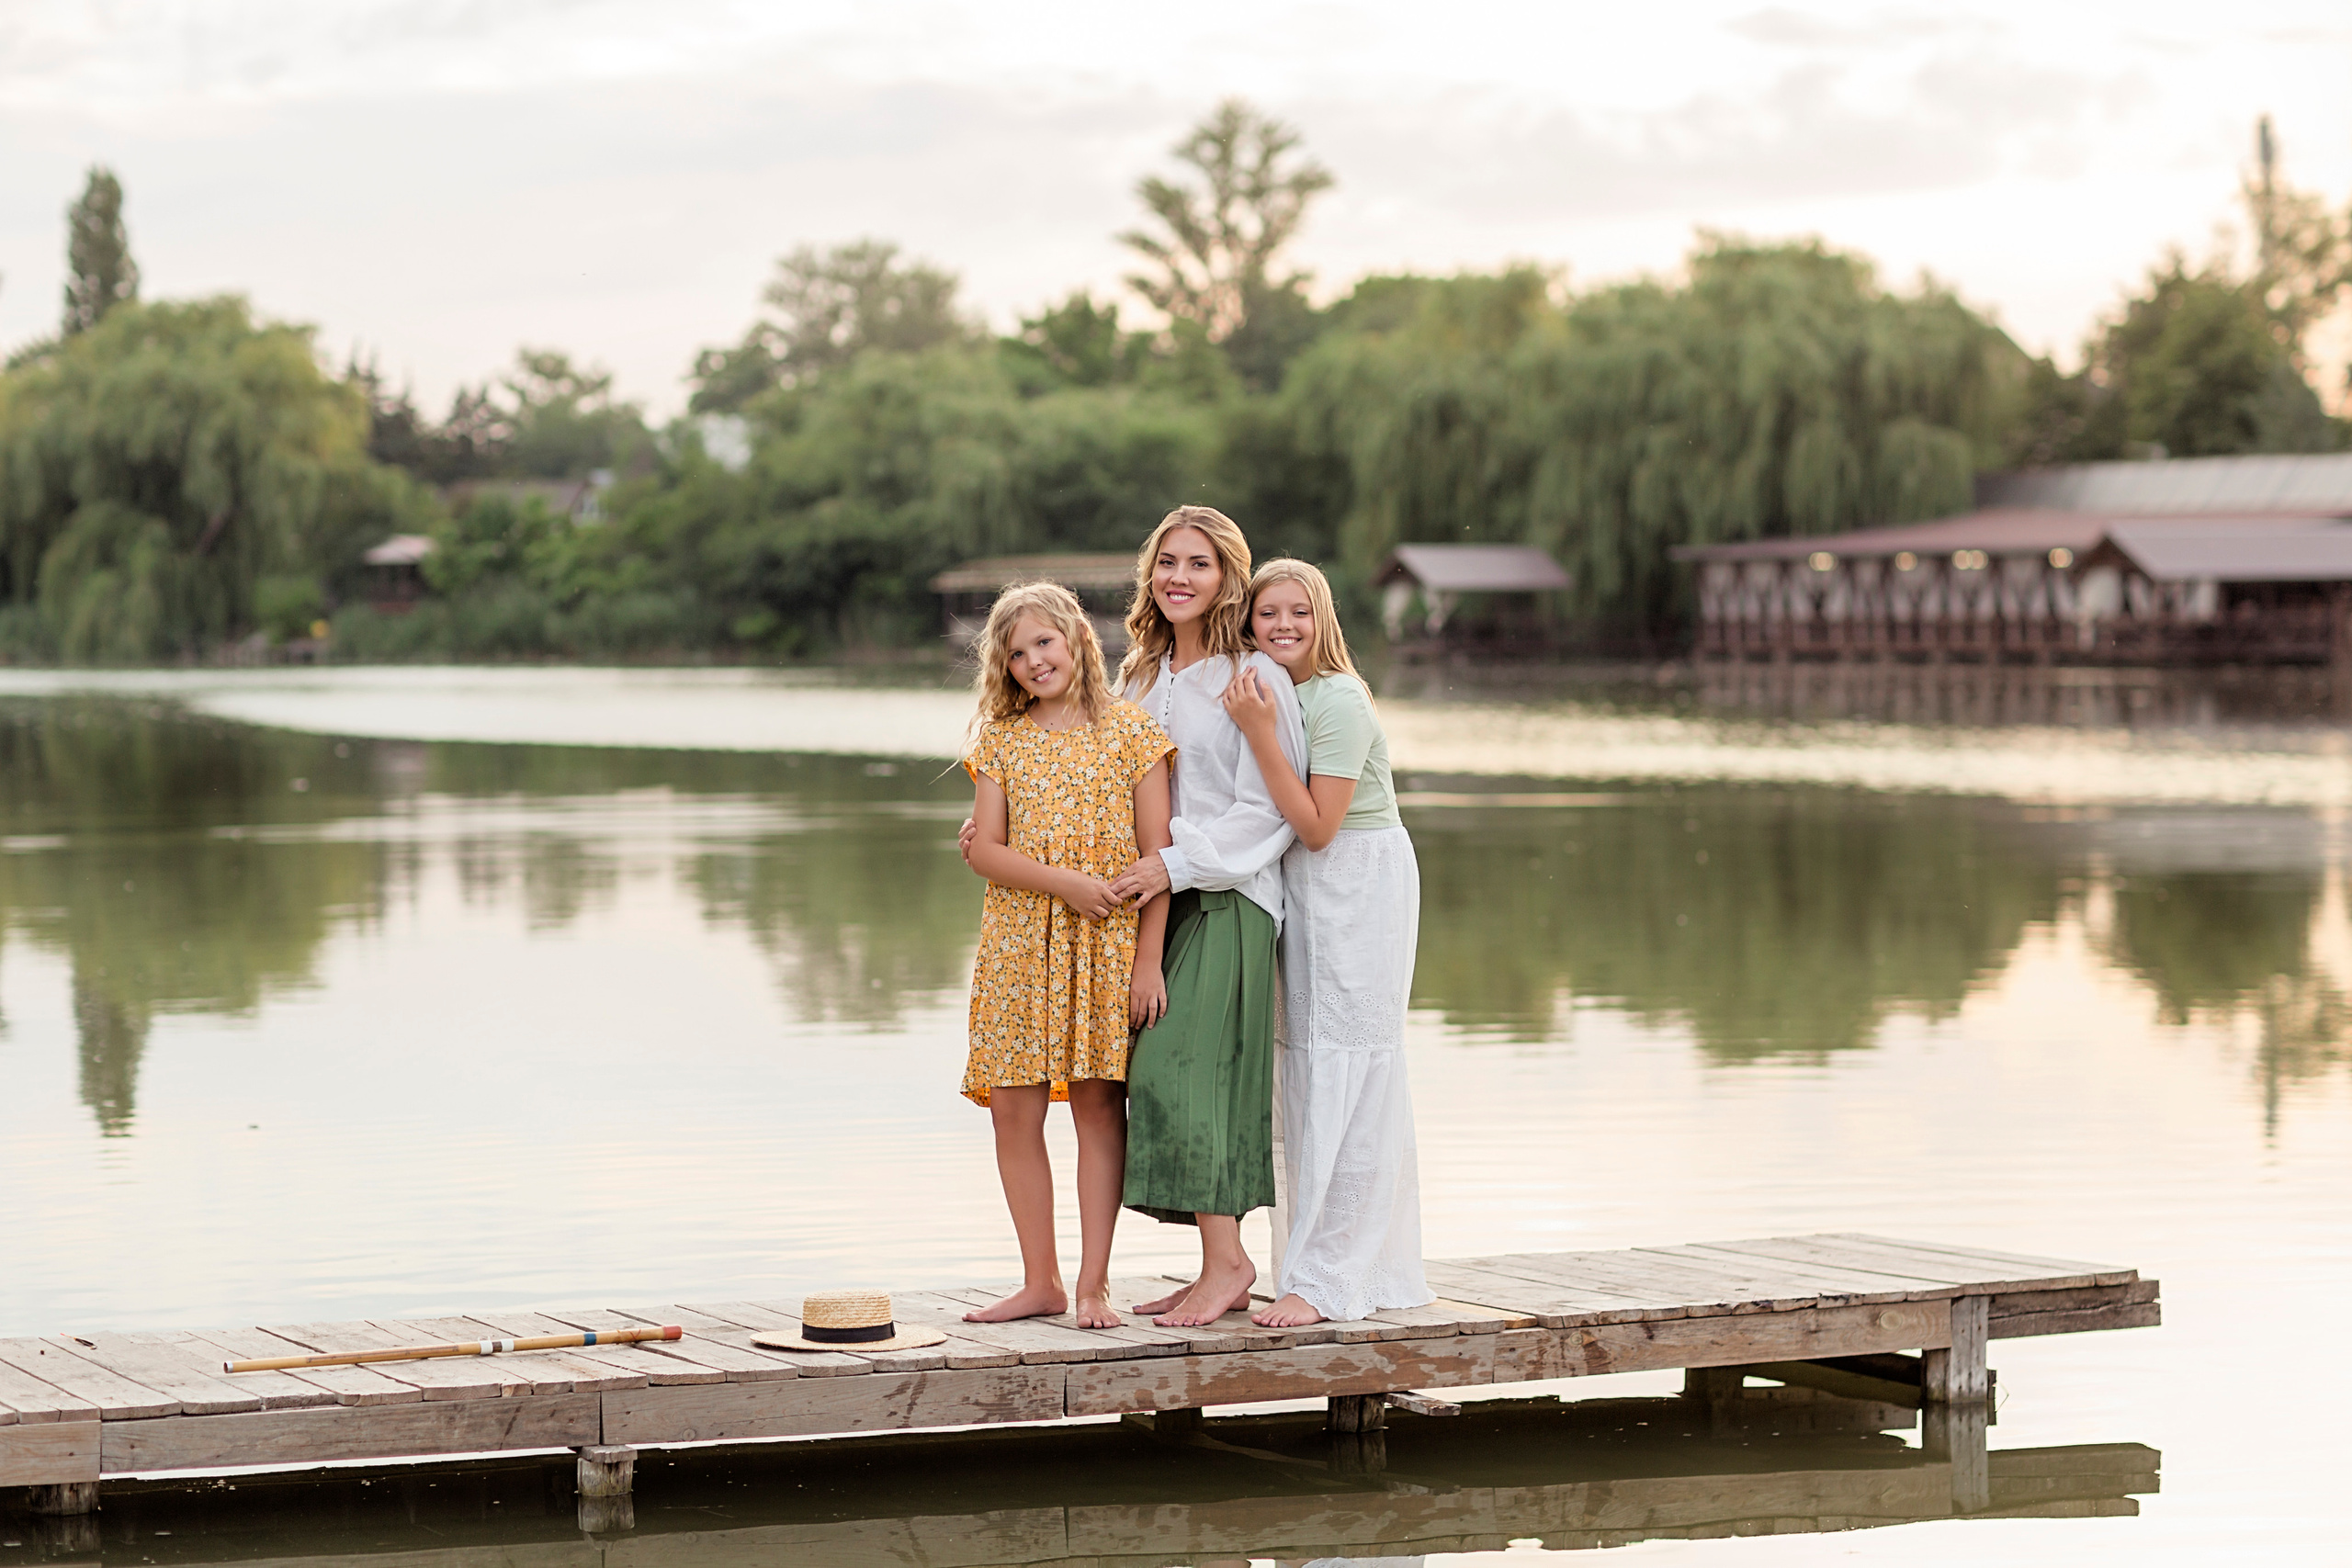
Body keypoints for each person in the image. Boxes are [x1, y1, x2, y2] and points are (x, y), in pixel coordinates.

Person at [1103, 506, 1307, 1326]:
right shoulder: (1140, 678)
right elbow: (1108, 785)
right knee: (1161, 1074)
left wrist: (1175, 862)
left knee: (1185, 1070)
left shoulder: (1255, 676)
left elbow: (1271, 813)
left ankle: (1230, 1262)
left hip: (1228, 896)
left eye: (1199, 563)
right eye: (1166, 561)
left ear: (1228, 575)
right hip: (1159, 900)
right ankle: (1211, 1267)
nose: (1179, 577)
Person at [958, 581, 1175, 1329]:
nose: (1032, 661)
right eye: (1016, 653)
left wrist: (1148, 962)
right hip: (1019, 942)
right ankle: (1039, 1280)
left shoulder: (1134, 734)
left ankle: (1092, 1284)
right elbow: (983, 849)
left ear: (1078, 637)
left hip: (1105, 946)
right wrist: (1065, 884)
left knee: (1096, 1107)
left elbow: (1160, 858)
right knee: (1013, 1111)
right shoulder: (1002, 738)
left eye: (1043, 642)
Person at [1221, 559, 1431, 1327]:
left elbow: (1317, 825)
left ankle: (1336, 1276)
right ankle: (1307, 1265)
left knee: (1351, 1063)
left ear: (1323, 620)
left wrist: (1256, 730)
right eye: (1267, 613)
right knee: (1307, 1068)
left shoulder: (1337, 697)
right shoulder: (1276, 689)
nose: (1282, 626)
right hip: (1307, 889)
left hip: (1356, 882)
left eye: (1298, 613)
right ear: (1247, 622)